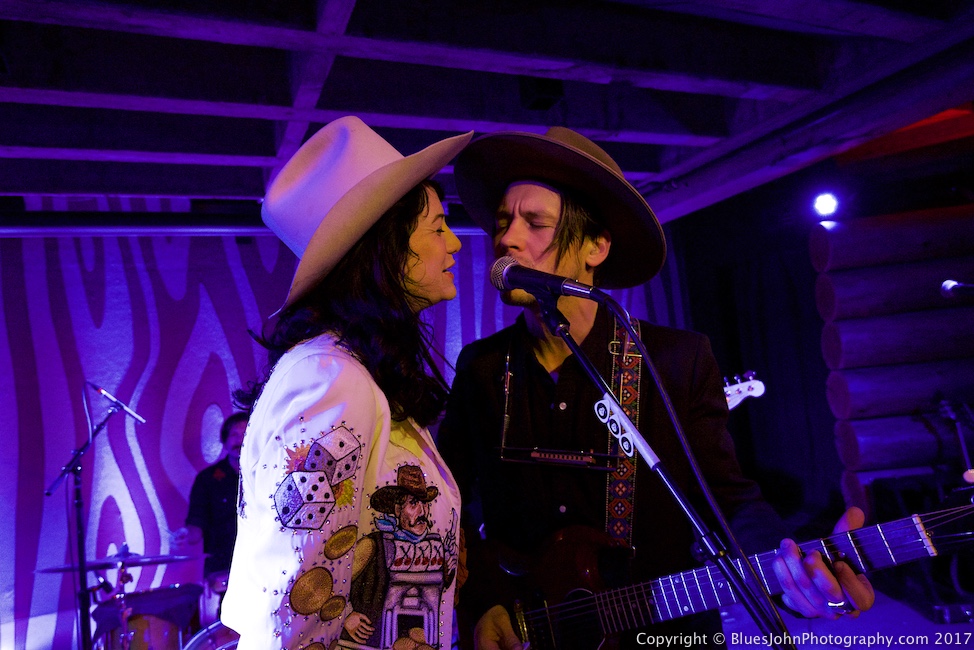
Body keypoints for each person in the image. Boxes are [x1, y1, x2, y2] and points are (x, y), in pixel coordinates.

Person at [436, 127, 875, 649]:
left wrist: (786, 567)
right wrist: (484, 601)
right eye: (504, 221)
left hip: (662, 631)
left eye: (535, 223)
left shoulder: (675, 359)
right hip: (528, 632)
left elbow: (726, 500)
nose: (506, 238)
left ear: (596, 248)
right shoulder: (483, 367)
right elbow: (451, 508)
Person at [220, 116, 472, 650]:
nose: (454, 243)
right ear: (389, 247)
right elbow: (298, 608)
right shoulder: (331, 379)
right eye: (437, 227)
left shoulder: (352, 372)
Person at [173, 411, 249, 580]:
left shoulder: (267, 474)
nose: (239, 440)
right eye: (234, 435)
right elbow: (197, 522)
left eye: (245, 434)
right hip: (223, 564)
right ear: (224, 441)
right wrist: (185, 535)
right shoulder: (207, 478)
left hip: (262, 560)